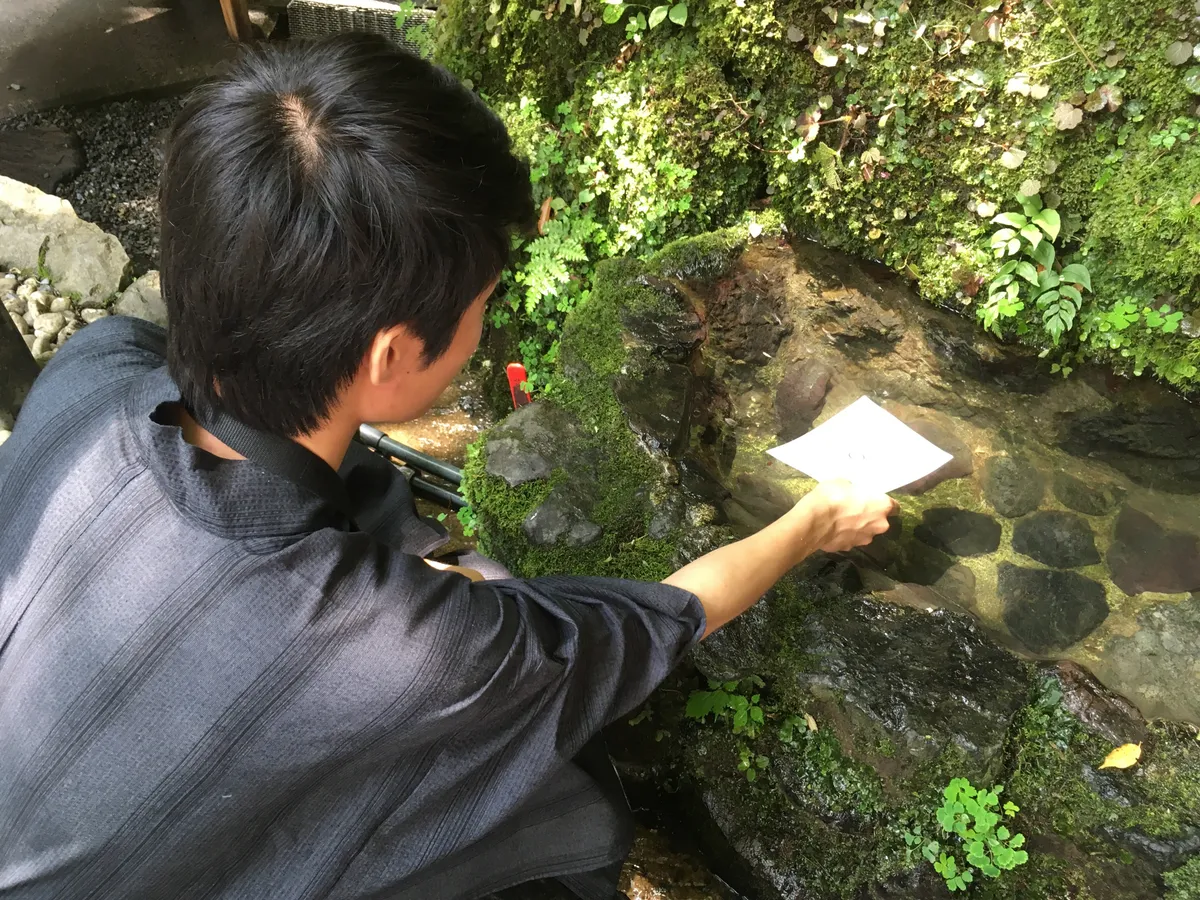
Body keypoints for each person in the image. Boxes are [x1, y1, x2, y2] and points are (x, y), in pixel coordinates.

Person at [0, 34, 895, 900]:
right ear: (390, 355)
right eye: (483, 301)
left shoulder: (99, 368)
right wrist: (816, 518)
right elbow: (658, 620)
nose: (482, 323)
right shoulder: (405, 649)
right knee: (539, 778)